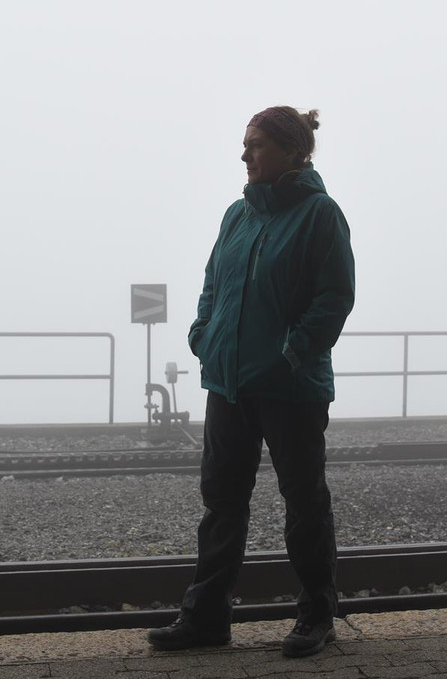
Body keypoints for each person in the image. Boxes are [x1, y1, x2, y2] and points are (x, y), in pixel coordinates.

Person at [147, 106, 355, 658]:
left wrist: (293, 352)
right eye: (245, 144)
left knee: (304, 502)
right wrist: (203, 334)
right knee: (221, 503)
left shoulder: (320, 214)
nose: (245, 155)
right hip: (229, 384)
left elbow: (334, 297)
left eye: (256, 144)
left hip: (290, 387)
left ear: (291, 150)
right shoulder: (236, 217)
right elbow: (214, 283)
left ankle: (316, 614)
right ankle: (207, 619)